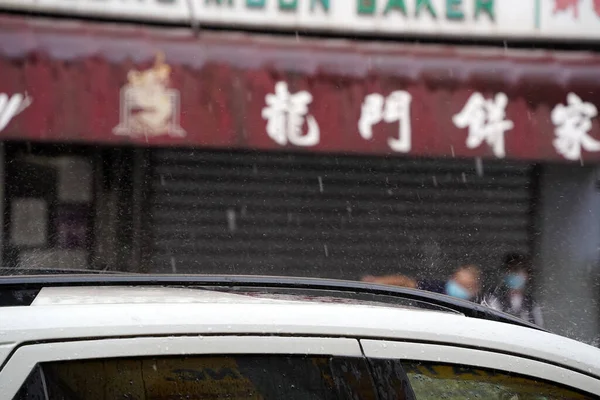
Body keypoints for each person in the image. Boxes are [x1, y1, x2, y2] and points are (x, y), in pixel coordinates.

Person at [362, 264, 482, 302]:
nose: (457, 287)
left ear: (476, 287)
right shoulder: (437, 289)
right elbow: (405, 282)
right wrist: (377, 282)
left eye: (464, 286)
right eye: (456, 281)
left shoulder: (481, 303)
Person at [482, 253, 544, 327]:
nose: (514, 275)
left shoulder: (531, 303)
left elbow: (538, 328)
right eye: (510, 271)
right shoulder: (493, 297)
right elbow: (492, 323)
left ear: (527, 275)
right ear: (504, 274)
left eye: (517, 271)